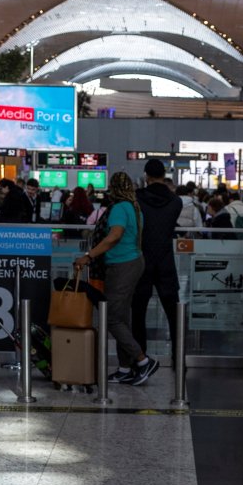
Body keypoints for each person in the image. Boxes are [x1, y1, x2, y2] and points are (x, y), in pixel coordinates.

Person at [73, 171, 159, 385]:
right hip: (133, 262)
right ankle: (124, 367)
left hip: (122, 265)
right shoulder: (134, 207)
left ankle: (142, 360)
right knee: (122, 317)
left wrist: (88, 255)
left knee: (111, 317)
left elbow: (114, 236)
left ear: (113, 188)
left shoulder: (120, 208)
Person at [134, 159, 183, 363]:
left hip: (142, 261)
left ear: (146, 176)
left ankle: (140, 359)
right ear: (164, 175)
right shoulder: (176, 202)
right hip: (165, 261)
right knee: (173, 314)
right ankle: (178, 358)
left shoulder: (136, 199)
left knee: (138, 313)